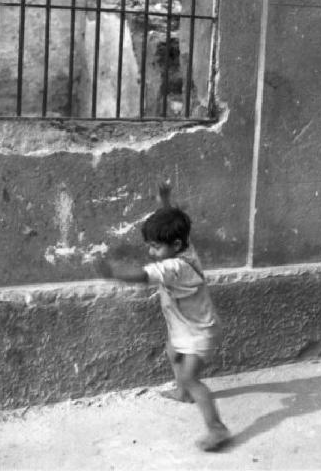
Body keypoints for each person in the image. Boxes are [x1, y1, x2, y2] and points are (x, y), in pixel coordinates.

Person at [96, 182, 231, 451]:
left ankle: (216, 428)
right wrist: (165, 202)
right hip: (183, 325)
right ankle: (182, 392)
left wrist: (112, 273)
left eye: (155, 247)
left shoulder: (174, 266)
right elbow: (172, 223)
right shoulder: (185, 246)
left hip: (199, 332)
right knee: (172, 352)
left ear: (175, 245)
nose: (151, 252)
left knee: (193, 377)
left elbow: (143, 276)